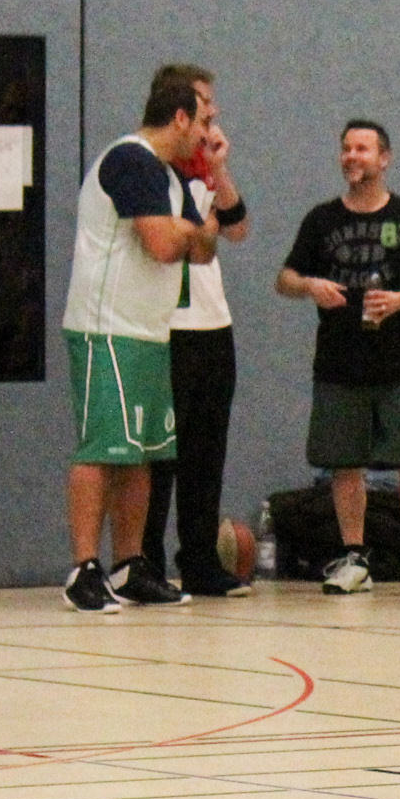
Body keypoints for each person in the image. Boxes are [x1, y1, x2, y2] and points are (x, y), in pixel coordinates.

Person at [63, 63, 221, 613]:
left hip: (151, 331)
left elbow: (204, 249)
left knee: (143, 453)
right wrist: (187, 232)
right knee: (102, 447)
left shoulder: (172, 178)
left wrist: (190, 229)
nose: (206, 135)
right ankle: (84, 568)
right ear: (179, 117)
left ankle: (131, 565)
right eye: (203, 121)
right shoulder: (132, 160)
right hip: (106, 328)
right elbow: (162, 244)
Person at [278, 119, 400, 595]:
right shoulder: (322, 220)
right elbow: (285, 279)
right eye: (346, 148)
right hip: (338, 362)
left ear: (384, 158)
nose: (352, 156)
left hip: (398, 362)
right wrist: (309, 286)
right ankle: (354, 557)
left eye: (362, 149)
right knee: (344, 464)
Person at [141, 115, 254, 597]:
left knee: (206, 453)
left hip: (212, 325)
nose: (210, 127)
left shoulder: (206, 174)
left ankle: (201, 560)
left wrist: (218, 168)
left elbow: (238, 228)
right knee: (159, 454)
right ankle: (144, 561)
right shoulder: (150, 171)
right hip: (166, 328)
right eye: (202, 116)